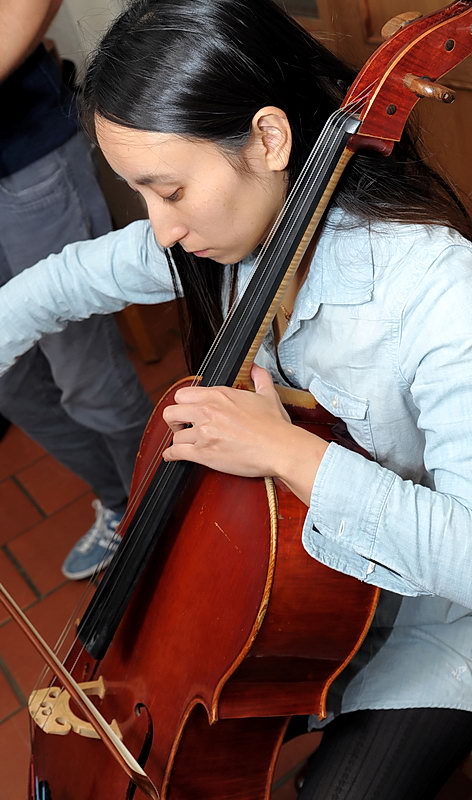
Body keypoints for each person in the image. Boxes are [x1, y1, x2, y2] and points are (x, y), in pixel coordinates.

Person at [1, 0, 472, 796]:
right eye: (140, 194)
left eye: (170, 190)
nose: (160, 230)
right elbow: (63, 281)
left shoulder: (437, 291)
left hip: (428, 622)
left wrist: (290, 452)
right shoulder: (224, 240)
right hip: (283, 613)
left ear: (269, 139)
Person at [0, 0, 152, 580]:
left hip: (23, 154)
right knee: (11, 385)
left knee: (86, 377)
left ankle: (152, 507)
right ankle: (121, 501)